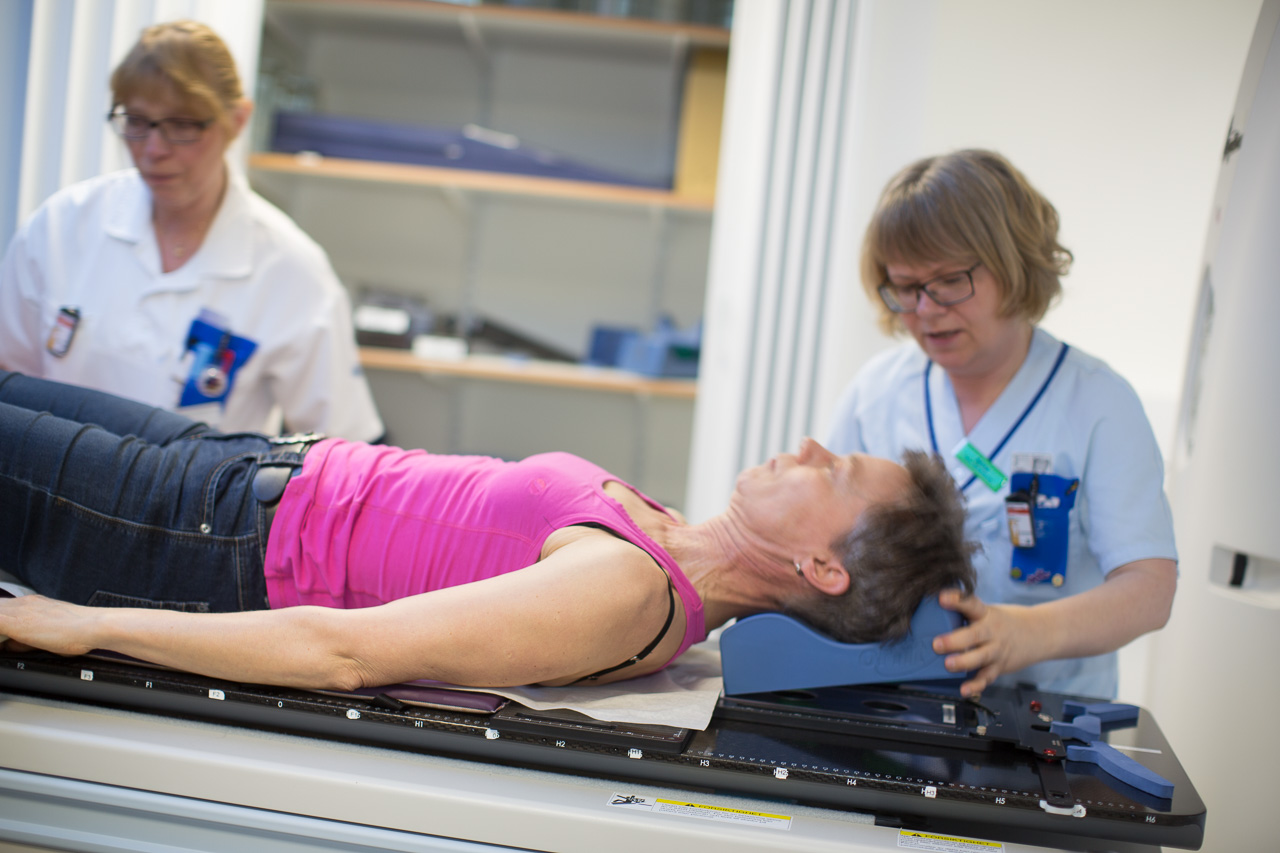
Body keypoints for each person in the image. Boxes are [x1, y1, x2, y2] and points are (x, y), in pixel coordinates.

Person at [0, 370, 973, 691]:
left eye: (835, 470)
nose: (810, 444)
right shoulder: (670, 536)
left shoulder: (629, 595)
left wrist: (79, 624)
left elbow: (342, 652)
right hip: (241, 467)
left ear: (818, 567)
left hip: (210, 536)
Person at [825, 149, 1177, 700]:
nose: (926, 309)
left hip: (1048, 709)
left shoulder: (1098, 404)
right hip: (891, 695)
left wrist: (1027, 633)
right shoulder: (878, 393)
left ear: (1015, 265)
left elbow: (1150, 589)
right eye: (906, 288)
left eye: (948, 281)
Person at [0, 20, 382, 442]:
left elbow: (343, 447)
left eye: (182, 125)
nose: (153, 149)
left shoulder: (291, 269)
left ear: (236, 121)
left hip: (199, 507)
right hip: (51, 496)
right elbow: (9, 383)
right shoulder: (59, 228)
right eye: (137, 121)